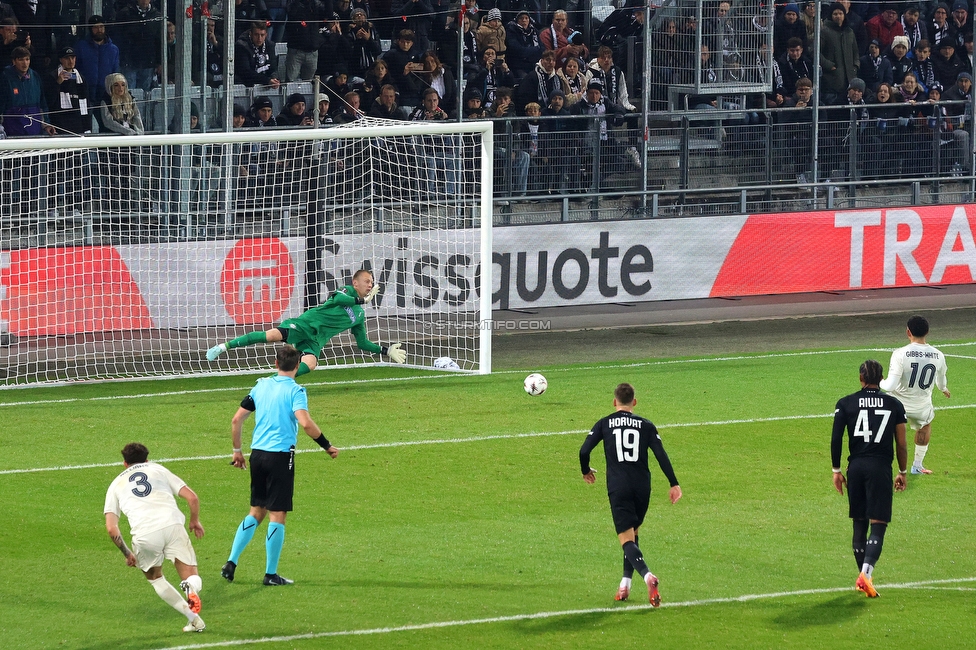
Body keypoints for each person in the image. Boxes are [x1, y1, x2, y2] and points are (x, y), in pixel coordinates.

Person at [221, 345, 339, 586]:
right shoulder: (296, 391)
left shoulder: (261, 385)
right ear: (297, 366)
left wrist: (237, 451)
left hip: (258, 455)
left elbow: (236, 419)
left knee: (256, 510)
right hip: (280, 457)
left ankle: (231, 562)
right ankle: (270, 574)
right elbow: (305, 423)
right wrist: (327, 446)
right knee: (278, 514)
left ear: (275, 363)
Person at [580, 382, 681, 605]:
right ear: (634, 402)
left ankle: (648, 576)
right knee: (633, 533)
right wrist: (674, 483)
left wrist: (586, 470)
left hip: (619, 486)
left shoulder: (605, 423)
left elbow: (584, 450)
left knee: (626, 539)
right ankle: (625, 584)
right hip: (642, 485)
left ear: (614, 402)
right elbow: (661, 454)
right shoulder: (646, 425)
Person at [207, 269, 406, 375]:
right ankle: (223, 346)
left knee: (310, 364)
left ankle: (278, 381)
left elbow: (362, 343)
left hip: (316, 339)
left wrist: (385, 350)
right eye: (367, 281)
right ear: (356, 283)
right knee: (272, 335)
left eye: (372, 283)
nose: (370, 285)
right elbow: (337, 300)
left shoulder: (360, 315)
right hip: (305, 325)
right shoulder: (347, 292)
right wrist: (360, 300)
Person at [104, 442, 206, 632]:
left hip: (145, 534)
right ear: (147, 459)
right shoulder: (158, 469)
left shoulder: (115, 484)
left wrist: (127, 553)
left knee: (155, 578)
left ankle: (193, 618)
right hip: (173, 525)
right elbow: (192, 497)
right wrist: (194, 521)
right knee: (191, 575)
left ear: (125, 463)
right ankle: (190, 588)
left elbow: (112, 528)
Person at [831, 360, 908, 598]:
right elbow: (902, 444)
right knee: (878, 524)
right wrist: (903, 472)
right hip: (880, 468)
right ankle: (866, 574)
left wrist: (836, 470)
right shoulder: (894, 404)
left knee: (859, 522)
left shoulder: (845, 403)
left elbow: (836, 439)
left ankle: (863, 579)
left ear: (860, 378)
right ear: (881, 378)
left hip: (856, 467)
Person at [879, 316, 950, 475]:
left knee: (885, 432)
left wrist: (879, 382)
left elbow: (889, 385)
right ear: (928, 332)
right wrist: (943, 388)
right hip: (921, 406)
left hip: (896, 405)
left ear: (908, 332)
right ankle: (917, 465)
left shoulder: (900, 354)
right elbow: (941, 380)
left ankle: (881, 466)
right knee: (925, 426)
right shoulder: (938, 355)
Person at [0, 46, 55, 136]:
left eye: (27, 59)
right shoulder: (5, 77)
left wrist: (46, 125)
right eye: (21, 60)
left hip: (35, 130)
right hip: (13, 131)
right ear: (14, 61)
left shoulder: (35, 76)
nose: (25, 63)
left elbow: (42, 104)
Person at [74, 15, 119, 113]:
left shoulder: (113, 49)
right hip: (85, 92)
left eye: (101, 27)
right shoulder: (81, 46)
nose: (99, 30)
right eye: (95, 27)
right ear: (90, 29)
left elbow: (115, 73)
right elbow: (75, 69)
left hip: (105, 94)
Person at [45, 46, 92, 135]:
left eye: (73, 57)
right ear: (60, 59)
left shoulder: (81, 79)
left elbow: (86, 104)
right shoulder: (52, 76)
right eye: (67, 58)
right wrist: (57, 83)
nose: (71, 61)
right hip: (60, 124)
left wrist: (87, 127)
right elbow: (49, 102)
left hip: (78, 125)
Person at [235, 21, 281, 88]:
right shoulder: (242, 46)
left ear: (266, 35)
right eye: (256, 35)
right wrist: (267, 81)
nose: (259, 39)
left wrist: (274, 79)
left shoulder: (270, 45)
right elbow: (246, 72)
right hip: (246, 85)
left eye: (262, 35)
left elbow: (273, 68)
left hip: (265, 85)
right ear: (250, 34)